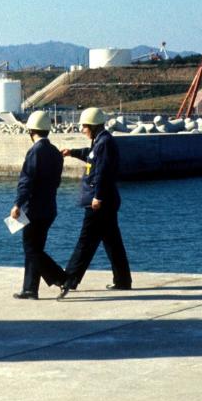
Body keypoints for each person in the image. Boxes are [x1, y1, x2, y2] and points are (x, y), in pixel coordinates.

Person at [58, 107, 132, 299]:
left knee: (86, 241)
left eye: (84, 126)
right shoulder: (100, 141)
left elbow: (104, 172)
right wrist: (71, 152)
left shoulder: (104, 142)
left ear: (92, 125)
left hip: (100, 202)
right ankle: (123, 280)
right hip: (104, 200)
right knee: (112, 242)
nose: (82, 129)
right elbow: (90, 155)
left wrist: (97, 196)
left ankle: (70, 280)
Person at [10, 111, 67, 299]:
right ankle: (30, 289)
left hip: (33, 209)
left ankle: (62, 278)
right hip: (49, 208)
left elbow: (27, 180)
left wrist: (18, 204)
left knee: (31, 249)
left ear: (31, 131)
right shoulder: (55, 152)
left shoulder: (35, 151)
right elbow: (56, 182)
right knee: (36, 248)